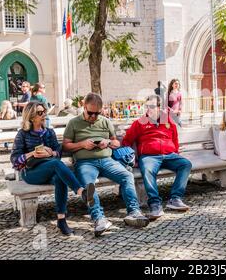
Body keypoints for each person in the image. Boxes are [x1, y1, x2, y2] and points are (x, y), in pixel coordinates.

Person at [62, 93, 149, 236]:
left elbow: (116, 142)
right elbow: (65, 146)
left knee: (127, 175)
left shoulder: (105, 121)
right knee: (88, 185)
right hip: (85, 163)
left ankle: (133, 212)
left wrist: (108, 142)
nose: (93, 117)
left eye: (97, 113)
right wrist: (82, 144)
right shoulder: (74, 123)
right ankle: (98, 218)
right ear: (84, 107)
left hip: (107, 161)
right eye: (90, 113)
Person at [10, 102, 95, 236]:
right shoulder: (23, 134)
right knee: (57, 165)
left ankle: (61, 220)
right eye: (40, 112)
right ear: (31, 116)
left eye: (44, 111)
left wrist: (51, 153)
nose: (44, 114)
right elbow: (14, 160)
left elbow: (58, 152)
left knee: (58, 177)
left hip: (49, 168)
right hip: (32, 172)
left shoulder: (49, 132)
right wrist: (32, 153)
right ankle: (81, 191)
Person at [122, 95, 192, 220]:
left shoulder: (168, 120)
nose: (149, 109)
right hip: (149, 157)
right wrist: (132, 158)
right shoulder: (140, 123)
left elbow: (174, 137)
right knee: (148, 170)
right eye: (147, 106)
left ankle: (175, 199)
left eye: (152, 106)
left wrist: (175, 151)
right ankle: (155, 204)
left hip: (169, 155)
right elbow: (127, 141)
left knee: (185, 164)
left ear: (160, 108)